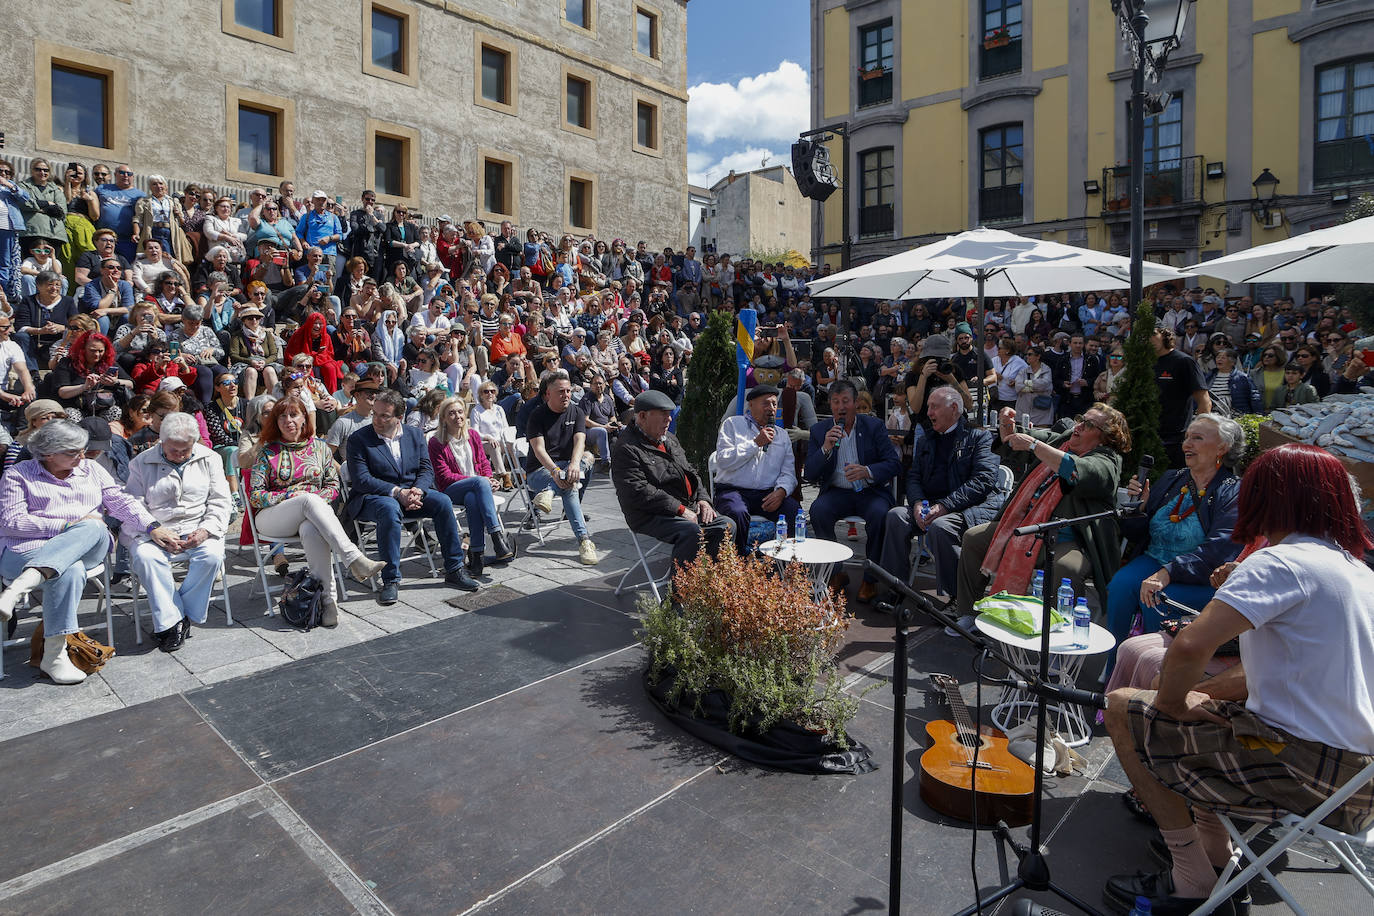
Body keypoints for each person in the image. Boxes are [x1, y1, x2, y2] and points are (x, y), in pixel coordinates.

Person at [1101, 443, 1374, 914]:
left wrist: (1167, 706)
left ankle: (1189, 880)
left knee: (1126, 706)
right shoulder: (1357, 572)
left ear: (1270, 498)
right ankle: (1216, 857)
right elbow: (1260, 674)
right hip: (1358, 783)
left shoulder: (1282, 561)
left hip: (1303, 773)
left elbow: (1189, 646)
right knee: (1218, 717)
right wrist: (1193, 700)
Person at [0, 420, 177, 683]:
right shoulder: (18, 474)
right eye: (73, 452)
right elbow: (11, 523)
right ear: (48, 453)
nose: (82, 456)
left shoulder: (91, 469)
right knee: (69, 569)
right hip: (26, 551)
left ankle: (17, 589)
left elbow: (119, 502)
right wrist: (66, 525)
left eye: (82, 449)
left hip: (87, 544)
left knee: (94, 527)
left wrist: (151, 526)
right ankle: (54, 656)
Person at [956, 403, 1130, 623]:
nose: (1078, 426)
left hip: (1070, 538)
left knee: (1066, 568)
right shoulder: (1066, 440)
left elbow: (1077, 470)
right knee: (974, 538)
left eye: (1088, 424)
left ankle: (1061, 632)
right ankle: (969, 614)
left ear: (1105, 437)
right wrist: (1008, 427)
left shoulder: (1108, 460)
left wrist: (1034, 445)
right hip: (1025, 526)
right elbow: (1028, 437)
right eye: (1080, 419)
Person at [1104, 414, 1244, 675]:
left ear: (1222, 448)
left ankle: (1151, 673)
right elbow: (1136, 533)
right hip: (1155, 559)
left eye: (1197, 438)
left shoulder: (1232, 491)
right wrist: (1139, 508)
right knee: (1121, 587)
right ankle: (1114, 667)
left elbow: (1218, 551)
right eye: (1187, 437)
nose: (1186, 444)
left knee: (1155, 599)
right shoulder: (1172, 479)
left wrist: (1166, 573)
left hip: (1200, 576)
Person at [248, 397, 387, 626]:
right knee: (308, 500)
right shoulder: (267, 452)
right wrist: (295, 496)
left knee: (311, 529)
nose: (288, 421)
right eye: (282, 416)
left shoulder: (320, 448)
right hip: (273, 516)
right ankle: (353, 557)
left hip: (312, 514)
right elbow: (255, 495)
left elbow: (333, 486)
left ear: (304, 418)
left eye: (294, 415)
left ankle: (328, 602)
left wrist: (312, 502)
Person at [345, 389, 479, 604]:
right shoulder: (359, 439)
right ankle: (390, 579)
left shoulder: (414, 434)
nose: (376, 419)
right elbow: (362, 480)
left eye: (384, 415)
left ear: (399, 417)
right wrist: (398, 493)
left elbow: (426, 469)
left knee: (443, 501)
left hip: (411, 493)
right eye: (375, 414)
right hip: (373, 497)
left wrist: (418, 490)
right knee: (389, 508)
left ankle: (454, 568)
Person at [877, 386, 1002, 604]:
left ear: (954, 408)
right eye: (928, 407)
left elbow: (983, 482)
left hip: (970, 508)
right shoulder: (927, 438)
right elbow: (914, 476)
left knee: (941, 526)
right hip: (931, 506)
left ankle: (960, 598)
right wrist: (916, 503)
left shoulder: (979, 437)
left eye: (934, 407)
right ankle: (896, 588)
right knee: (895, 516)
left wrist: (944, 506)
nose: (929, 413)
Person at [124, 412, 232, 652]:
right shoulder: (141, 462)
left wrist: (206, 530)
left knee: (212, 556)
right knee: (146, 558)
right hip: (154, 528)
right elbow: (133, 506)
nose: (181, 455)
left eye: (186, 450)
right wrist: (154, 530)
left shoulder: (210, 458)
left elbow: (220, 501)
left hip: (198, 525)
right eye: (175, 450)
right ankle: (172, 623)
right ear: (161, 442)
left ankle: (176, 615)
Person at [803, 379, 902, 602]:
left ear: (855, 403)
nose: (841, 407)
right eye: (836, 402)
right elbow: (809, 473)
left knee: (879, 515)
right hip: (837, 492)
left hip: (870, 492)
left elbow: (894, 464)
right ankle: (836, 572)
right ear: (830, 405)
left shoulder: (873, 426)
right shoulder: (820, 430)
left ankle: (870, 578)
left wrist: (867, 470)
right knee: (818, 511)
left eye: (846, 401)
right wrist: (825, 449)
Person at [612, 389, 732, 569]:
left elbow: (690, 471)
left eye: (669, 414)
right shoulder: (626, 448)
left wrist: (703, 500)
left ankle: (711, 580)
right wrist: (681, 509)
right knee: (691, 531)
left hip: (684, 506)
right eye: (663, 415)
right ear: (643, 416)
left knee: (726, 525)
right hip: (649, 514)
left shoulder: (669, 438)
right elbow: (639, 491)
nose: (669, 419)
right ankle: (681, 593)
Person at [427, 396, 514, 577]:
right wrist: (481, 480)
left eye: (460, 412)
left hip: (475, 490)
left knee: (473, 500)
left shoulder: (473, 435)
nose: (457, 416)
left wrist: (490, 478)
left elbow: (483, 462)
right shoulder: (436, 442)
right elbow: (444, 476)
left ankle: (476, 559)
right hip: (450, 490)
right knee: (478, 483)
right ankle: (496, 536)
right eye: (451, 413)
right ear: (443, 418)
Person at [711, 384, 799, 556]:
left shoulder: (781, 435)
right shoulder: (732, 425)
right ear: (750, 405)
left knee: (794, 511)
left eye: (774, 404)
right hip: (732, 491)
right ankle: (737, 566)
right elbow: (723, 461)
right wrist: (755, 444)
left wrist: (781, 491)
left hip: (766, 494)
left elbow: (789, 472)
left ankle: (786, 565)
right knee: (737, 513)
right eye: (766, 404)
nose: (771, 409)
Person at [525, 369, 598, 564]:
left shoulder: (577, 411)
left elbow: (580, 441)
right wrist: (556, 472)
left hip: (566, 467)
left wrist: (574, 463)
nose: (566, 395)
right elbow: (539, 450)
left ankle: (549, 493)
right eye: (561, 392)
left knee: (588, 457)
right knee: (570, 486)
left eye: (568, 391)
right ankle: (584, 541)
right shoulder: (537, 415)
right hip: (539, 471)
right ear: (548, 394)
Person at [1153, 327, 1211, 467]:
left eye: (1153, 334)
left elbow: (1204, 403)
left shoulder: (1184, 361)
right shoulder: (1143, 364)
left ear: (1164, 335)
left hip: (1176, 440)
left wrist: (1196, 436)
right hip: (1149, 437)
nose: (1148, 338)